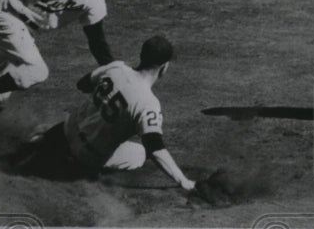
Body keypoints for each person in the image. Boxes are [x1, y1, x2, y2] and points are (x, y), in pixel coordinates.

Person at [13, 34, 196, 192]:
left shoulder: (116, 68)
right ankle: (73, 170)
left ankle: (41, 140)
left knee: (86, 121)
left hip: (65, 131)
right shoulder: (148, 103)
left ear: (141, 55)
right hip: (85, 157)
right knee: (139, 153)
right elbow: (155, 148)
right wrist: (183, 180)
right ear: (164, 67)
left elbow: (82, 84)